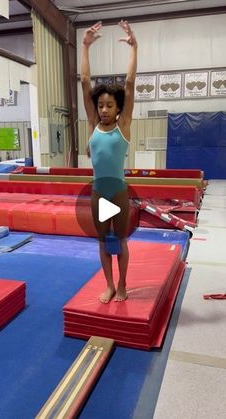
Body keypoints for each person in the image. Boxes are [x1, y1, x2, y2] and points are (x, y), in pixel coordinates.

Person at [81, 20, 137, 303]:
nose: (103, 110)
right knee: (104, 240)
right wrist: (85, 46)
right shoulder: (92, 124)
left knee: (121, 239)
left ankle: (124, 284)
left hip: (118, 192)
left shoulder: (123, 126)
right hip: (98, 193)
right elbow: (84, 82)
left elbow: (128, 84)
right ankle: (110, 284)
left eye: (109, 105)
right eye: (100, 105)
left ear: (118, 109)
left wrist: (133, 48)